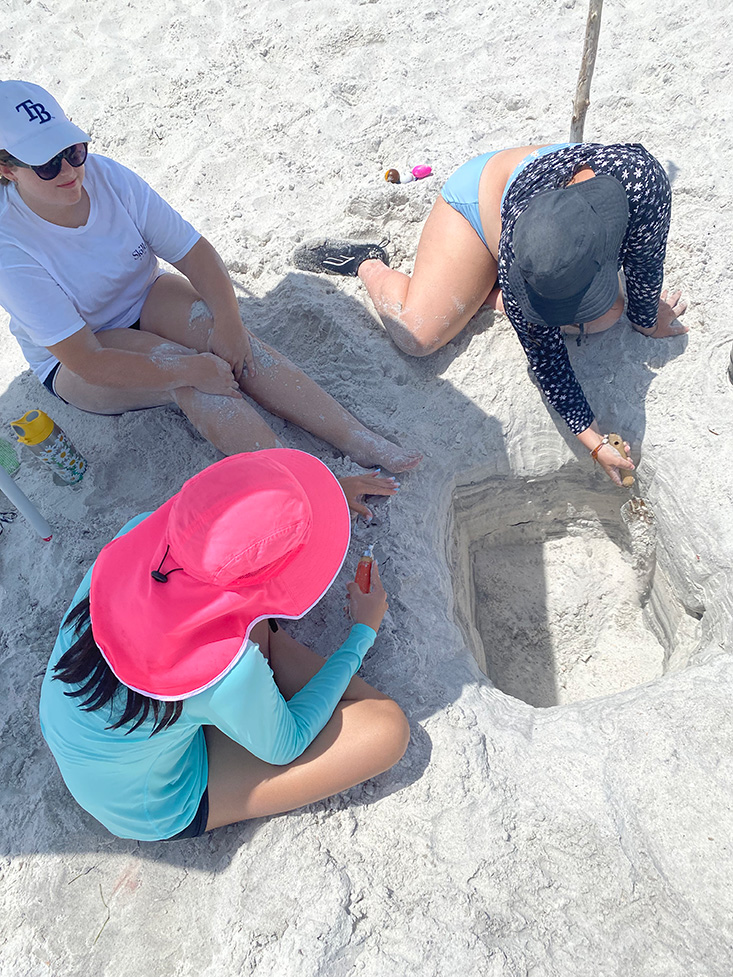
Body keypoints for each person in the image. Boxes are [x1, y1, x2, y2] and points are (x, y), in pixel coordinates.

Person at [0, 80, 421, 473]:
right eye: (48, 165)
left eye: (74, 150)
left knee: (229, 339)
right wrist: (187, 372)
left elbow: (194, 252)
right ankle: (304, 478)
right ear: (7, 170)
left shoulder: (107, 176)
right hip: (80, 351)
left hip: (145, 293)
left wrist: (231, 324)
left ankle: (357, 438)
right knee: (190, 376)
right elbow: (87, 360)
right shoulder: (8, 246)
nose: (71, 170)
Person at [39, 450, 410, 841]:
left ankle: (250, 683)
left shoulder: (138, 532)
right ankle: (253, 687)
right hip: (150, 800)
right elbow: (287, 745)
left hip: (88, 730)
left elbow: (233, 521)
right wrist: (361, 634)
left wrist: (320, 502)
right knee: (386, 729)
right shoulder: (226, 669)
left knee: (255, 636)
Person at [293, 142, 688, 486]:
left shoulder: (642, 182)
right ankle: (368, 263)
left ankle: (475, 291)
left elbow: (646, 260)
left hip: (548, 232)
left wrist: (646, 317)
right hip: (479, 206)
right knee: (417, 334)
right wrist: (592, 440)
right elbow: (545, 356)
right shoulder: (522, 247)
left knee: (605, 317)